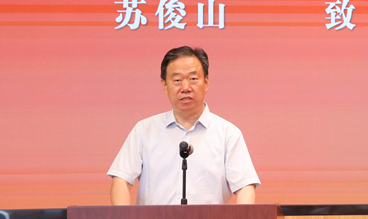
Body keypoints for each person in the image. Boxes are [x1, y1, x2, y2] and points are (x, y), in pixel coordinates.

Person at [108, 46, 260, 205]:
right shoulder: (144, 131)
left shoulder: (228, 134)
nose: (186, 88)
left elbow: (245, 187)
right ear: (164, 85)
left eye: (193, 79)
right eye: (177, 80)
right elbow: (121, 180)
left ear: (206, 82)